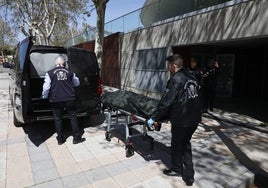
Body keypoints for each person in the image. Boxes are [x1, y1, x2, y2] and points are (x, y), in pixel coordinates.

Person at [147, 54, 202, 186]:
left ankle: (178, 169)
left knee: (177, 145)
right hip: (195, 118)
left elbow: (167, 102)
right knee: (185, 144)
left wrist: (153, 117)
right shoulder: (191, 76)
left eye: (168, 66)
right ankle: (189, 176)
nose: (167, 69)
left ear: (173, 65)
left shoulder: (175, 79)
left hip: (182, 120)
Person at [41, 55, 86, 145]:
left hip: (56, 99)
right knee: (73, 117)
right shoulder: (70, 72)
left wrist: (44, 96)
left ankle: (60, 139)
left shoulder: (49, 73)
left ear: (57, 63)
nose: (65, 63)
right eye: (65, 62)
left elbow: (46, 87)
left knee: (58, 119)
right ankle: (76, 138)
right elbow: (77, 83)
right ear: (63, 63)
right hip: (70, 98)